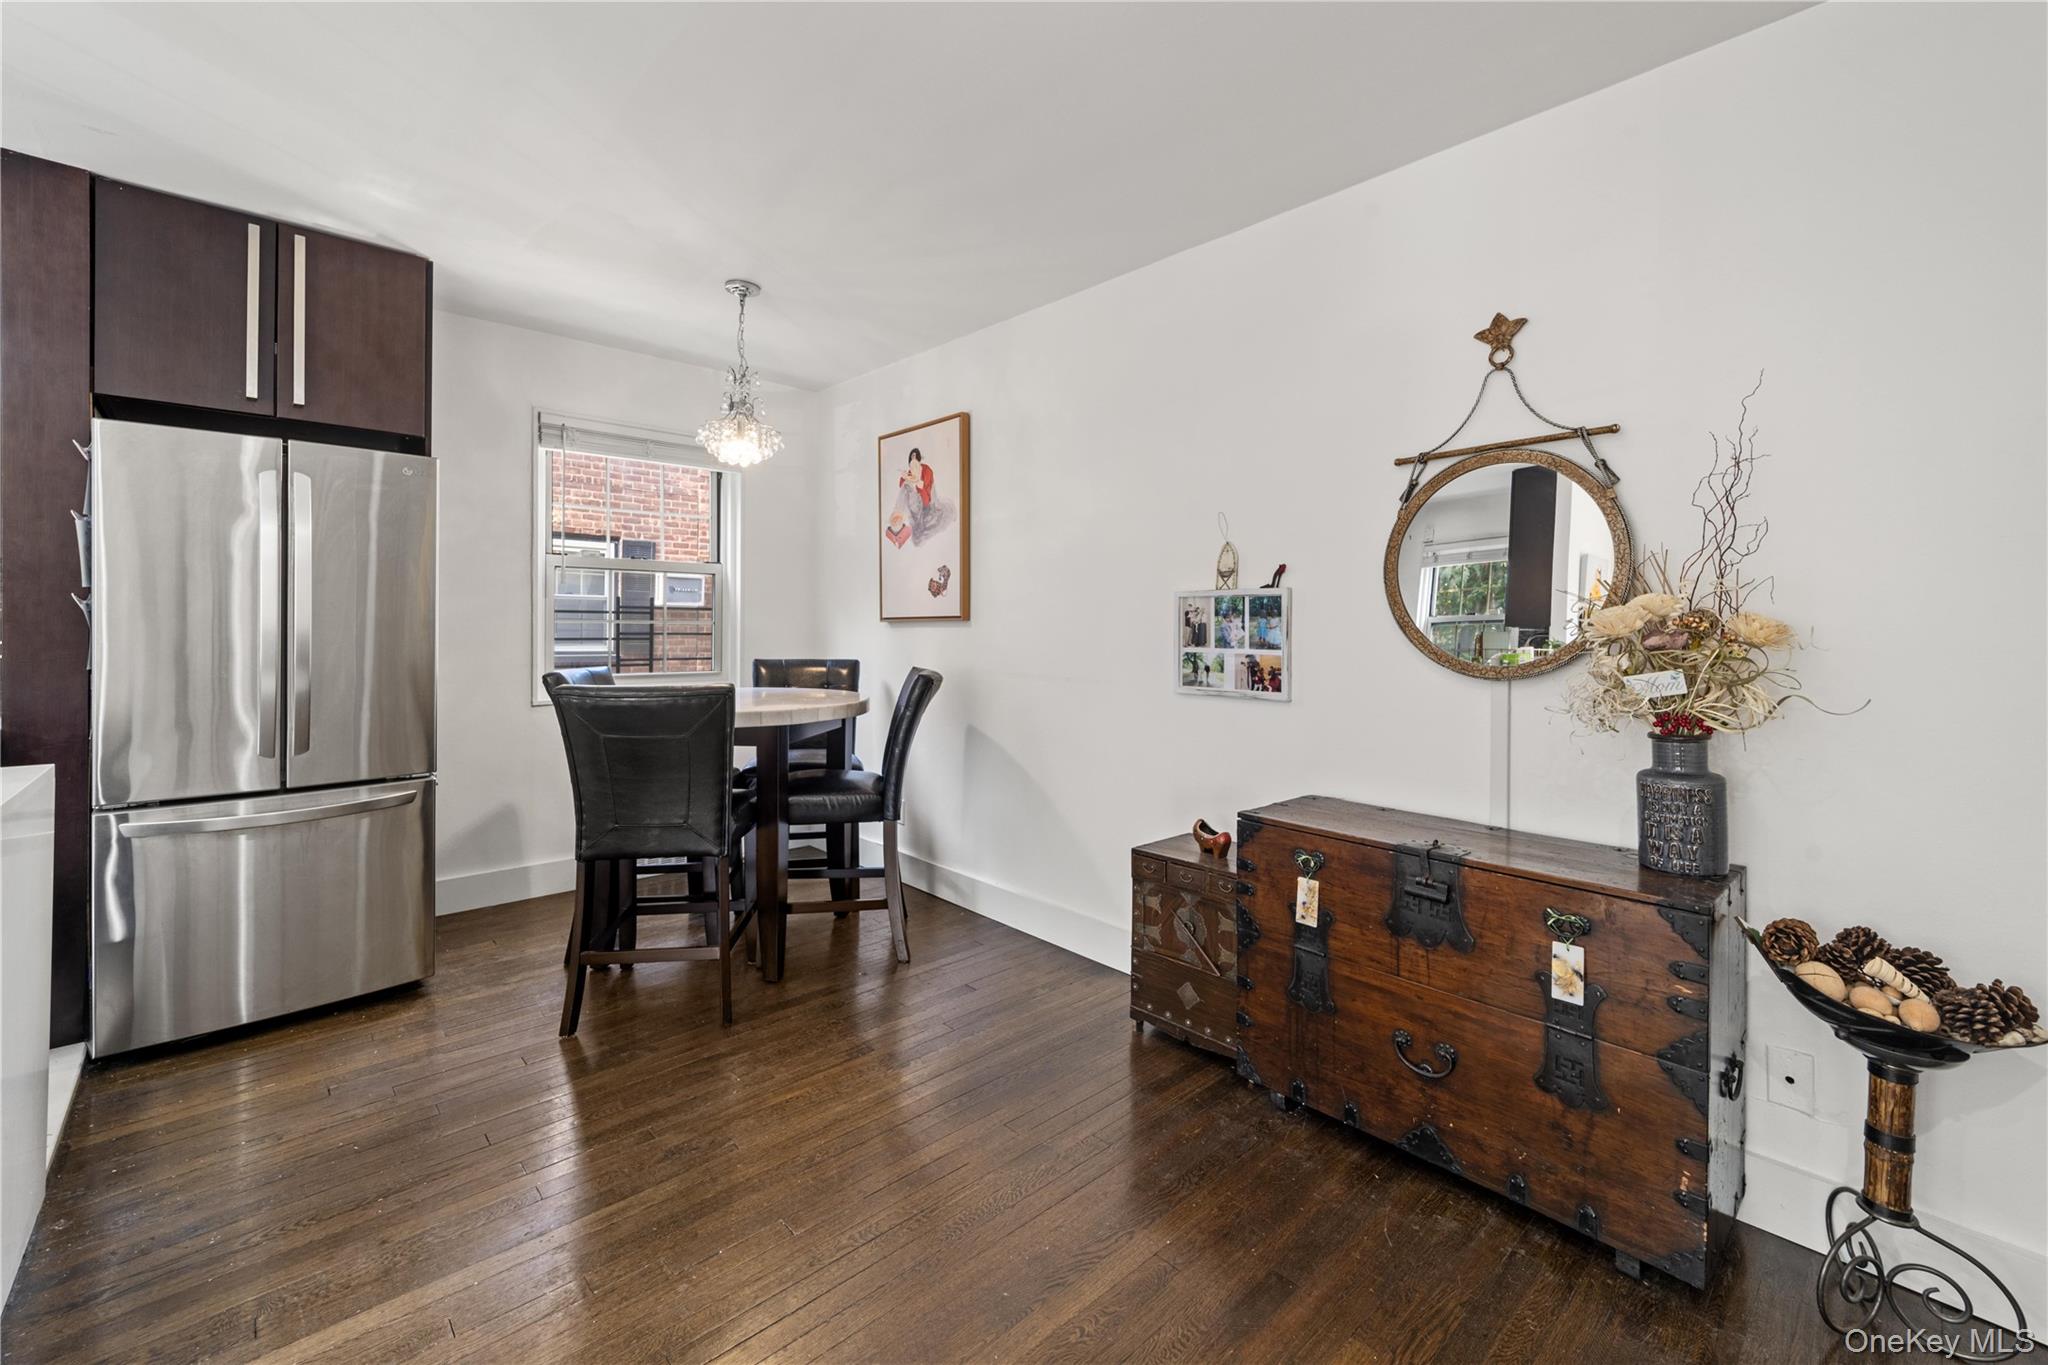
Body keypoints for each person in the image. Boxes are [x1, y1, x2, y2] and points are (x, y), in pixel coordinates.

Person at [886, 448, 940, 548]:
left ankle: (898, 519)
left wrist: (915, 481)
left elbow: (925, 488)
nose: (913, 458)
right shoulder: (911, 470)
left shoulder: (926, 469)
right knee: (905, 488)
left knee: (907, 489)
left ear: (919, 458)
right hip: (912, 499)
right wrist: (905, 477)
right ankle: (897, 518)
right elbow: (901, 485)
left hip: (924, 500)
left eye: (915, 456)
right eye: (911, 457)